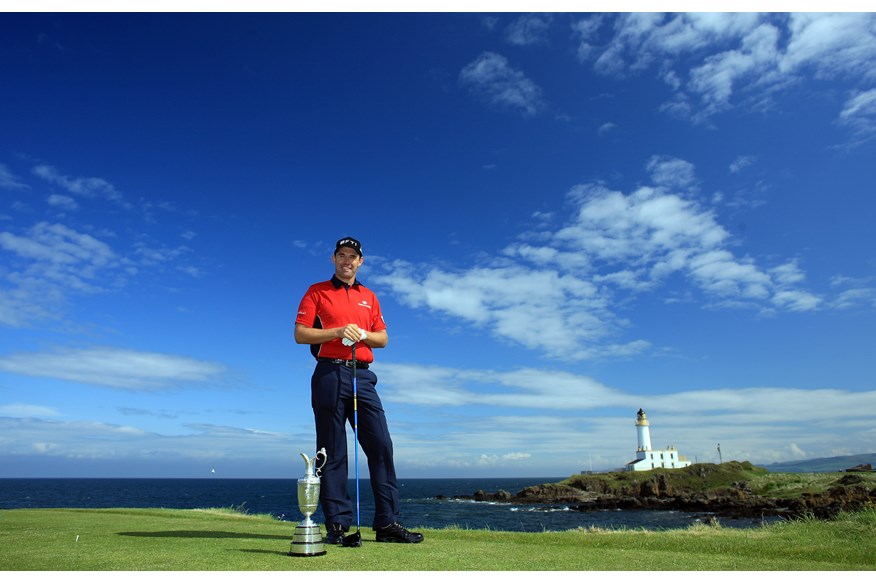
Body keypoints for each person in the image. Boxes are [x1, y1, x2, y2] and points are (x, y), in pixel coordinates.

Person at [294, 236, 423, 545]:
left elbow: (383, 339)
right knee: (333, 450)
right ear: (333, 259)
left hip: (362, 376)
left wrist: (363, 333)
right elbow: (301, 334)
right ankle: (337, 525)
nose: (347, 260)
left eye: (352, 256)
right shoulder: (317, 292)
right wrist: (338, 331)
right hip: (328, 372)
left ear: (360, 261)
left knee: (381, 445)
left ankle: (387, 523)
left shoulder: (370, 296)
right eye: (341, 255)